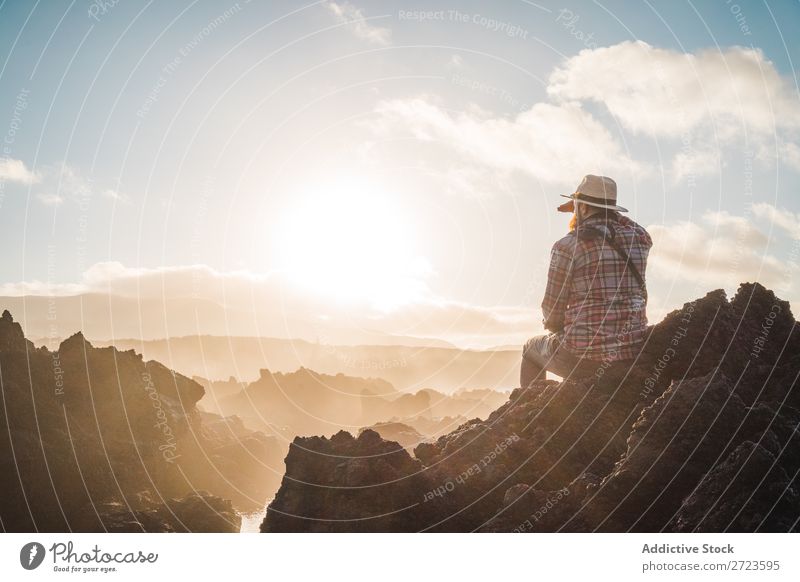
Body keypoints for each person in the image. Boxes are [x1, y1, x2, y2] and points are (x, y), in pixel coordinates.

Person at [520, 175, 652, 387]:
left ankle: (530, 413)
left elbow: (553, 307)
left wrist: (556, 326)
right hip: (630, 352)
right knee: (572, 339)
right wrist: (587, 207)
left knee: (530, 348)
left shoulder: (567, 246)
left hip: (582, 358)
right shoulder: (640, 239)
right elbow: (629, 224)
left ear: (582, 208)